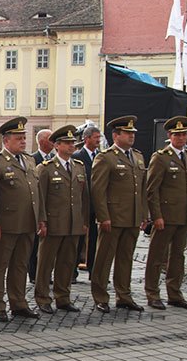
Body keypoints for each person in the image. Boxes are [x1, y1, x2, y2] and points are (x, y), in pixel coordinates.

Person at [90, 116, 148, 312]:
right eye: (127, 133)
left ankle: (123, 295)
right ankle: (100, 296)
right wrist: (103, 216)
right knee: (104, 258)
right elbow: (98, 190)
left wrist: (142, 213)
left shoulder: (138, 157)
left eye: (133, 133)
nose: (132, 136)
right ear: (116, 135)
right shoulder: (106, 157)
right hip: (113, 217)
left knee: (126, 258)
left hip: (131, 217)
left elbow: (141, 189)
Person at [0, 118, 41, 321]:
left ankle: (18, 303)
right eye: (19, 138)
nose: (23, 141)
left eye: (24, 137)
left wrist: (40, 218)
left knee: (20, 265)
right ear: (6, 140)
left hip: (27, 222)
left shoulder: (29, 160)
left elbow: (36, 193)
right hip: (6, 224)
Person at [143, 116, 187, 311]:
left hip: (183, 215)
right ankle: (152, 293)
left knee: (178, 257)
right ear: (170, 136)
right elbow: (152, 189)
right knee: (157, 256)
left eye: (184, 135)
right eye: (178, 135)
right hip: (165, 216)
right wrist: (156, 215)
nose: (181, 138)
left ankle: (174, 293)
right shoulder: (161, 157)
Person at [34, 125, 85, 314]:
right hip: (54, 223)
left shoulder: (78, 167)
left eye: (73, 143)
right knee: (46, 262)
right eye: (67, 143)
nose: (72, 146)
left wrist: (84, 221)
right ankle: (43, 297)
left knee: (67, 262)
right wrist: (42, 221)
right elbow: (40, 197)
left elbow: (83, 197)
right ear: (57, 145)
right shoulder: (46, 168)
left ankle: (63, 297)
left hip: (73, 223)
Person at [73, 124, 101, 275]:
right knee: (78, 239)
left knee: (94, 239)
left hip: (96, 204)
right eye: (96, 137)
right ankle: (72, 271)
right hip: (82, 205)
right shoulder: (77, 157)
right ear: (86, 139)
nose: (98, 140)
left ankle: (92, 269)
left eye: (99, 137)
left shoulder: (100, 156)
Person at [28, 129, 54, 282]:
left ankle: (45, 273)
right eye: (50, 139)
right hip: (37, 208)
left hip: (50, 209)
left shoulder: (54, 159)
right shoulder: (33, 159)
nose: (53, 141)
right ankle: (33, 273)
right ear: (42, 141)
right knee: (34, 245)